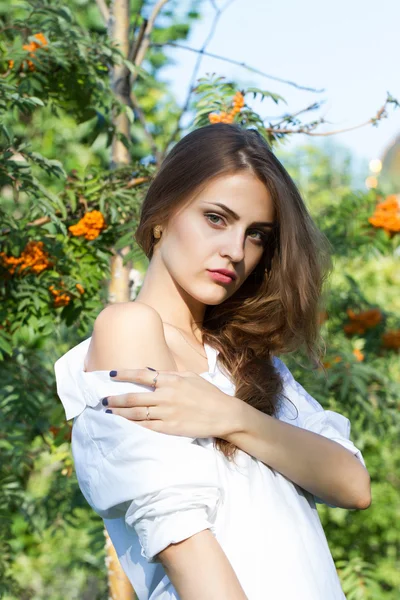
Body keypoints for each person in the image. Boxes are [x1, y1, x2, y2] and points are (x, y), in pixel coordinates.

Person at [54, 123, 371, 600]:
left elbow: (353, 485)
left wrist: (231, 415)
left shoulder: (244, 358)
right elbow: (180, 537)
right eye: (217, 219)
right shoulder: (129, 328)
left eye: (257, 235)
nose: (236, 251)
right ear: (162, 213)